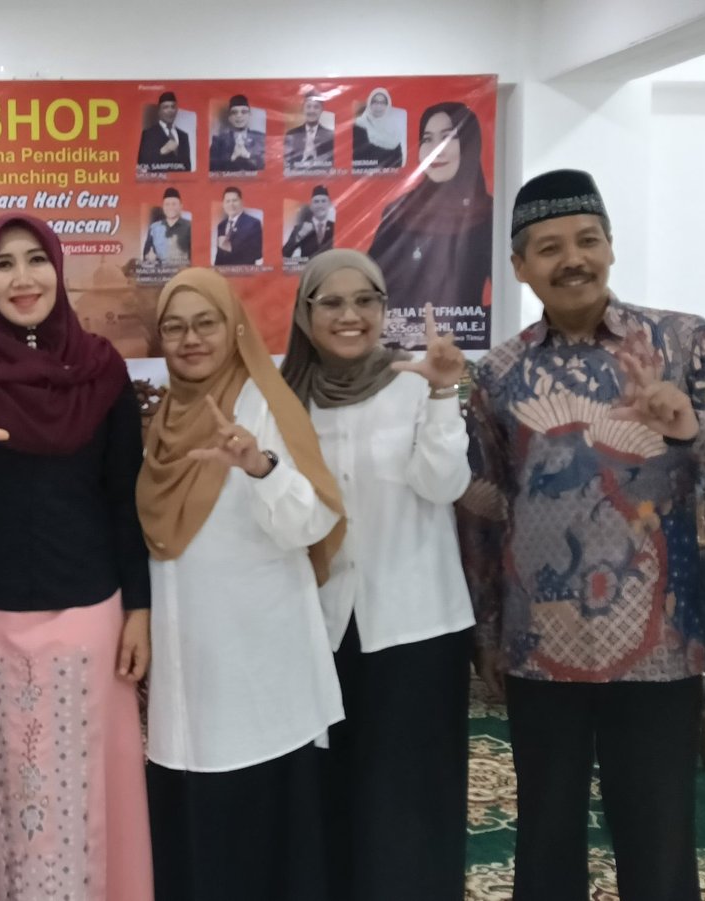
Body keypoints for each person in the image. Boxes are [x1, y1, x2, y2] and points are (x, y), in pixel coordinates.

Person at [458, 169, 705, 901]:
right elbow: (485, 507)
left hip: (658, 646)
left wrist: (690, 427)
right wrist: (487, 629)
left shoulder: (681, 340)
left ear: (610, 246)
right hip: (539, 648)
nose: (572, 259)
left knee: (658, 836)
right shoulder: (500, 371)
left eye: (587, 240)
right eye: (549, 248)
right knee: (545, 835)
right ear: (519, 266)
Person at [0, 213, 153, 901]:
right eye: (4, 264)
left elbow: (124, 497)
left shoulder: (102, 371)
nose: (23, 278)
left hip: (88, 614)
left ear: (57, 269)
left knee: (85, 789)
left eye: (36, 259)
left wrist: (139, 610)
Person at [139, 267, 345, 900]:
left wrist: (260, 467)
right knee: (197, 829)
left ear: (234, 329)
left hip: (261, 670)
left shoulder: (265, 404)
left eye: (206, 323)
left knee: (265, 840)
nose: (190, 340)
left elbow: (314, 521)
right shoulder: (161, 420)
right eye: (175, 327)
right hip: (189, 667)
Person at [281, 250, 475, 900]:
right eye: (332, 302)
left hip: (416, 626)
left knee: (411, 801)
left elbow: (443, 484)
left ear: (384, 309)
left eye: (366, 300)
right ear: (305, 315)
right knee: (335, 794)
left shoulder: (414, 385)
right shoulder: (287, 402)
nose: (350, 315)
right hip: (324, 628)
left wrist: (444, 394)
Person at [368, 101, 492, 349]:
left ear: (469, 144)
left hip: (461, 354)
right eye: (427, 139)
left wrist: (473, 326)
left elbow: (511, 296)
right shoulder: (398, 211)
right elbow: (368, 285)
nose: (436, 150)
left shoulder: (489, 214)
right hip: (395, 355)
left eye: (447, 138)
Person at [137, 91, 193, 174]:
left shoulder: (184, 136)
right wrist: (162, 151)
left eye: (173, 107)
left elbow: (187, 167)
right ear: (159, 111)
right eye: (165, 107)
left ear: (176, 110)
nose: (170, 110)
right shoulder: (148, 134)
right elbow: (142, 164)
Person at [351, 87, 405, 171]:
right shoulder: (357, 128)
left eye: (382, 102)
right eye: (375, 102)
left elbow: (398, 161)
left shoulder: (393, 130)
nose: (378, 105)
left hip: (388, 176)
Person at [209, 94, 265, 174]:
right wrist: (232, 157)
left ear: (249, 115)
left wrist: (248, 155)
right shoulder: (218, 141)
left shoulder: (261, 138)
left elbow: (269, 164)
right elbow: (210, 166)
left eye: (244, 112)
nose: (239, 116)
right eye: (234, 112)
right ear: (229, 118)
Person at [283, 186, 336, 260]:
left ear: (329, 204)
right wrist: (300, 235)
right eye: (316, 202)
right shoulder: (300, 228)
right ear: (311, 206)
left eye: (323, 201)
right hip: (307, 267)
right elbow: (285, 254)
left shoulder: (336, 228)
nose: (320, 205)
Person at [284, 95, 336, 172]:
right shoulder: (291, 134)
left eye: (316, 107)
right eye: (308, 107)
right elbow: (287, 162)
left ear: (321, 110)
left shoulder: (330, 136)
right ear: (303, 109)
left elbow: (332, 163)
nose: (312, 111)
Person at [214, 187, 263, 267]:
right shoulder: (221, 225)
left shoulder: (253, 223)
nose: (231, 204)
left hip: (244, 272)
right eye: (227, 201)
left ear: (241, 202)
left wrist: (232, 248)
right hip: (223, 272)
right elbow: (219, 254)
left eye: (234, 200)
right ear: (223, 204)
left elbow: (257, 254)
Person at [144, 187, 193, 264]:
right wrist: (149, 257)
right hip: (160, 270)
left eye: (174, 204)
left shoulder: (190, 226)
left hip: (184, 270)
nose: (170, 207)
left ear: (181, 206)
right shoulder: (154, 228)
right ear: (163, 206)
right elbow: (146, 254)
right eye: (167, 204)